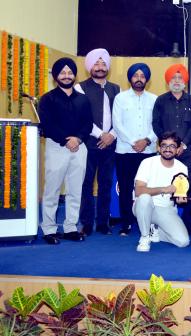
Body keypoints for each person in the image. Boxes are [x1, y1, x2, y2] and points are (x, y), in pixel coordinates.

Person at [38, 58, 93, 244]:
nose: (67, 76)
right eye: (62, 72)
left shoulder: (83, 99)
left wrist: (77, 139)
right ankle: (49, 229)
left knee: (75, 190)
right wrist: (66, 140)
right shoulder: (48, 99)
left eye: (70, 73)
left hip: (79, 147)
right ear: (56, 76)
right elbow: (47, 124)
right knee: (52, 190)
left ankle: (70, 227)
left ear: (74, 75)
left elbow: (88, 124)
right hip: (56, 147)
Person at [76, 48, 120, 236]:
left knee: (105, 183)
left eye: (103, 64)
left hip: (110, 144)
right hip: (88, 143)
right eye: (96, 63)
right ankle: (86, 222)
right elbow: (81, 116)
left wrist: (112, 134)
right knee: (86, 184)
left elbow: (120, 117)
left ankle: (103, 222)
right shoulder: (80, 88)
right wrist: (101, 134)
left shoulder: (116, 89)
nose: (100, 67)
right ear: (89, 66)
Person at [112, 63, 158, 236]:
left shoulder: (154, 99)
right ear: (130, 78)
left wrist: (146, 141)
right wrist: (133, 142)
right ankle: (126, 223)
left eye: (142, 76)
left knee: (149, 189)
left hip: (148, 151)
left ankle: (150, 222)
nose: (139, 78)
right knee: (125, 188)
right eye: (135, 75)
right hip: (125, 151)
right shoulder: (120, 98)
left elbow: (157, 124)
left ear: (147, 79)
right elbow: (117, 124)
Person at [132, 132, 190, 252]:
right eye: (164, 145)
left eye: (172, 146)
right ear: (158, 148)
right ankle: (144, 236)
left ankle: (156, 229)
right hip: (144, 206)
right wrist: (163, 189)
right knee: (144, 198)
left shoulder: (182, 168)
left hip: (166, 209)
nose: (168, 149)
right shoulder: (147, 163)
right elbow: (138, 191)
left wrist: (181, 199)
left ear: (178, 149)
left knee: (183, 241)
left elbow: (180, 195)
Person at [152, 63, 191, 179]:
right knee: (166, 180)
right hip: (167, 150)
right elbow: (156, 124)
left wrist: (183, 145)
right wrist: (169, 144)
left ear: (185, 81)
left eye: (180, 77)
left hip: (188, 150)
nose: (177, 81)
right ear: (168, 81)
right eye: (173, 77)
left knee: (189, 183)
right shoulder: (161, 100)